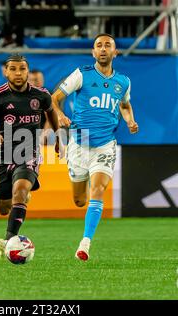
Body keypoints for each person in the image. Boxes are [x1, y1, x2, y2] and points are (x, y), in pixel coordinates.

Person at [51, 33, 139, 261]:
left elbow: (125, 105)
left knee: (98, 190)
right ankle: (83, 202)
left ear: (115, 52)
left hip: (105, 145)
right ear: (93, 52)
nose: (102, 49)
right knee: (79, 200)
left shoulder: (123, 82)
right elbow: (54, 98)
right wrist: (60, 115)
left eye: (107, 45)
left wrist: (129, 120)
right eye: (98, 45)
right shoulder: (82, 74)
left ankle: (85, 243)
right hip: (79, 144)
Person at [0, 54, 60, 258]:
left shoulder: (41, 95)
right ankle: (22, 197)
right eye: (13, 69)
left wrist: (58, 137)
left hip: (29, 151)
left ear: (27, 71)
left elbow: (52, 115)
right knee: (4, 208)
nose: (18, 73)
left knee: (20, 191)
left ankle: (8, 241)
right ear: (6, 72)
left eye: (22, 69)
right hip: (3, 155)